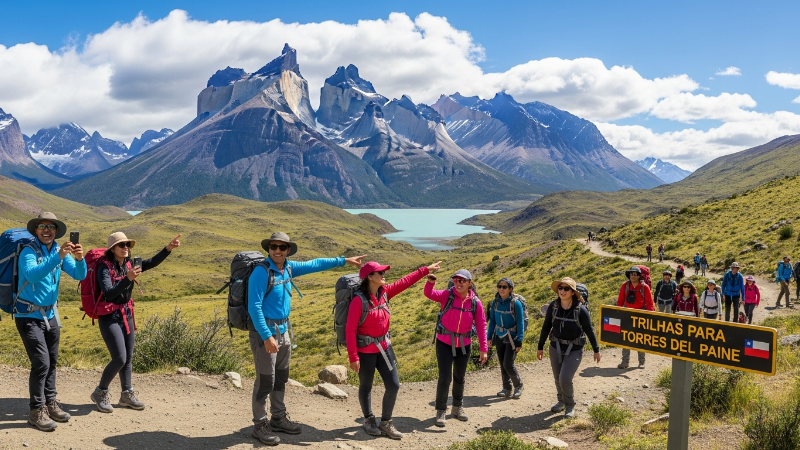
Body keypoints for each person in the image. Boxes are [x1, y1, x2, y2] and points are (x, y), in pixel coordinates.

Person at [248, 232, 364, 446]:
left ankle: (278, 418)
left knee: (280, 378)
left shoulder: (288, 268)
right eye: (273, 247)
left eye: (282, 247)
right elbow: (254, 307)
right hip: (266, 332)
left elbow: (315, 264)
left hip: (283, 330)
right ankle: (260, 425)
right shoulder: (261, 272)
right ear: (268, 249)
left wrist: (344, 261)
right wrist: (266, 336)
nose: (277, 251)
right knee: (265, 381)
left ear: (288, 250)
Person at [347, 260, 441, 440]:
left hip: (384, 348)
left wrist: (425, 270)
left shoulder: (385, 293)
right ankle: (369, 419)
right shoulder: (358, 301)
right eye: (380, 273)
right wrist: (353, 356)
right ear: (369, 277)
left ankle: (386, 422)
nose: (384, 275)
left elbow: (405, 281)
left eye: (383, 272)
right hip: (365, 352)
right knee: (366, 386)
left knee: (394, 385)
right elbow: (350, 330)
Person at [89, 232, 182, 413]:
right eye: (121, 245)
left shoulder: (128, 264)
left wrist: (168, 249)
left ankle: (126, 394)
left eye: (127, 245)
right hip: (109, 317)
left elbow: (150, 263)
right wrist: (128, 278)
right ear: (112, 249)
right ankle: (100, 392)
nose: (126, 248)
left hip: (126, 314)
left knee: (128, 358)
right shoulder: (104, 267)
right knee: (119, 358)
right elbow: (109, 293)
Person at [15, 212, 86, 431]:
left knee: (52, 361)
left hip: (51, 315)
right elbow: (32, 275)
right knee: (41, 362)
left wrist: (79, 259)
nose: (46, 230)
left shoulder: (57, 250)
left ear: (56, 231)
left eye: (51, 227)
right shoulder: (28, 251)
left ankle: (50, 403)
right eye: (42, 226)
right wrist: (58, 257)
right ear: (36, 230)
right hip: (28, 316)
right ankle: (36, 411)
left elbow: (79, 275)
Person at [424, 269, 488, 428]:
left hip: (464, 345)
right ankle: (440, 410)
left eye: (462, 280)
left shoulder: (475, 302)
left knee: (460, 377)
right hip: (444, 343)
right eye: (456, 280)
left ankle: (457, 408)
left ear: (469, 283)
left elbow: (481, 325)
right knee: (445, 378)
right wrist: (430, 283)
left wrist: (483, 348)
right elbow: (429, 294)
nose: (458, 283)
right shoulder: (447, 295)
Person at [537, 277, 600, 418]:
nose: (562, 291)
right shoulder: (553, 306)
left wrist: (596, 350)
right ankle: (561, 402)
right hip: (555, 347)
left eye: (566, 288)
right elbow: (546, 327)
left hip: (575, 348)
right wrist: (540, 347)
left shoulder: (581, 309)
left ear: (573, 292)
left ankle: (570, 405)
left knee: (565, 378)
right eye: (560, 288)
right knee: (557, 377)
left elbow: (589, 330)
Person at [487, 278, 525, 400]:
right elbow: (492, 321)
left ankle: (518, 386)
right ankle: (507, 388)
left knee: (508, 363)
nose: (501, 289)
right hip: (499, 335)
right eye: (499, 286)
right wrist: (489, 337)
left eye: (504, 287)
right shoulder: (495, 303)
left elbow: (520, 323)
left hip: (512, 337)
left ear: (510, 289)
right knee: (502, 363)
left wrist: (519, 340)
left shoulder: (516, 303)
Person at [616, 266, 654, 369]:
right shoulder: (625, 286)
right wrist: (618, 313)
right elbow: (620, 301)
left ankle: (641, 362)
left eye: (635, 274)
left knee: (640, 339)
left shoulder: (644, 287)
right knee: (625, 338)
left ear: (639, 276)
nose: (633, 276)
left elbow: (649, 303)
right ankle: (625, 362)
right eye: (631, 274)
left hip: (641, 314)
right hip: (627, 313)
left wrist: (651, 316)